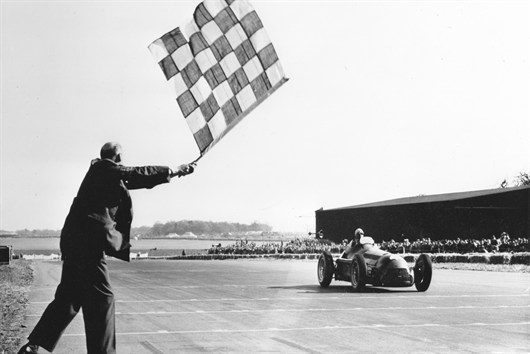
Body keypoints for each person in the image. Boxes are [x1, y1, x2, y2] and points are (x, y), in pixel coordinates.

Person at [18, 142, 195, 354]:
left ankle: (32, 346)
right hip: (88, 244)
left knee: (69, 298)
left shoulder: (103, 174)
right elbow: (137, 173)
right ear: (118, 157)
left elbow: (140, 180)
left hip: (76, 242)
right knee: (103, 299)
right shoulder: (103, 168)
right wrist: (174, 169)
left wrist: (175, 173)